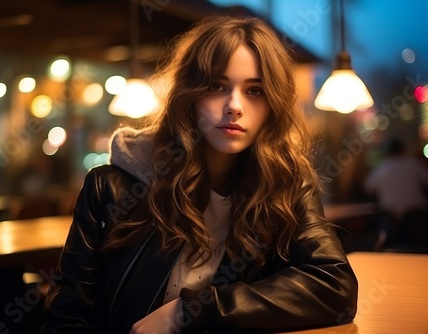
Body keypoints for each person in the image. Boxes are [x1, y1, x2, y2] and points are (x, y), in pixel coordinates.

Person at [41, 15, 358, 334]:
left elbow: (334, 285)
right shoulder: (110, 187)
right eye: (217, 86)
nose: (234, 106)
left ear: (273, 105)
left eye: (255, 91)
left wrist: (192, 310)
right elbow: (64, 318)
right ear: (188, 95)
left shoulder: (285, 184)